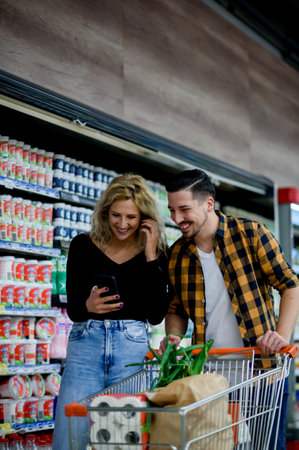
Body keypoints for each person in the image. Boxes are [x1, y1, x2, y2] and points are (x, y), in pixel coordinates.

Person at [159, 169, 299, 450]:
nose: (177, 219)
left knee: (266, 446)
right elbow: (175, 308)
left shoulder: (250, 234)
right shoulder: (176, 254)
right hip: (209, 377)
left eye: (184, 209)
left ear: (208, 204)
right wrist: (174, 336)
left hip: (262, 370)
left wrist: (280, 337)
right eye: (172, 210)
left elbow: (290, 285)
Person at [53, 173, 169, 450]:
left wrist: (151, 254)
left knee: (122, 441)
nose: (122, 223)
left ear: (145, 217)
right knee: (70, 435)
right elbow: (74, 312)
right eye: (116, 215)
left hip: (131, 350)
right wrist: (88, 306)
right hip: (86, 346)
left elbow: (156, 315)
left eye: (131, 217)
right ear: (105, 212)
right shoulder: (83, 245)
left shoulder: (158, 254)